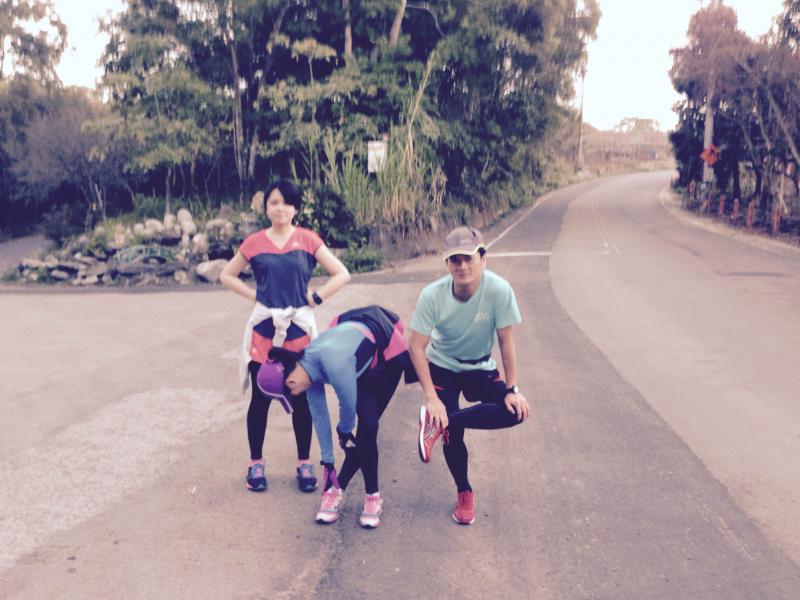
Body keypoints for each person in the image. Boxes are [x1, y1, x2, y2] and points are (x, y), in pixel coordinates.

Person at [220, 179, 350, 494]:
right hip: (264, 331)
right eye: (274, 202)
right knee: (260, 399)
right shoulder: (254, 243)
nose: (280, 208)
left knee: (301, 400)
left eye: (286, 202)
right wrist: (254, 295)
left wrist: (316, 298)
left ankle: (304, 463)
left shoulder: (307, 240)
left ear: (295, 208)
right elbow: (226, 274)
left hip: (298, 333)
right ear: (266, 208)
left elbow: (342, 273)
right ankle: (255, 463)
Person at [409, 226, 530, 525]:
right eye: (455, 259)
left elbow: (506, 341)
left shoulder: (499, 290)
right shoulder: (432, 295)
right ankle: (464, 491)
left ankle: (439, 423)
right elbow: (416, 347)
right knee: (453, 435)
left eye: (469, 258)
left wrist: (512, 389)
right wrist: (431, 397)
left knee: (515, 412)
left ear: (483, 260)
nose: (462, 266)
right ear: (447, 263)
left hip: (479, 366)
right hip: (443, 366)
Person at [259, 305, 413, 528]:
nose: (295, 395)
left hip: (384, 359)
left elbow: (347, 403)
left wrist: (344, 430)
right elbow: (320, 416)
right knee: (360, 437)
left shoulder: (333, 362)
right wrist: (328, 461)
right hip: (356, 365)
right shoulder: (306, 370)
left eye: (290, 393)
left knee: (368, 427)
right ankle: (335, 487)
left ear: (290, 381)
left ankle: (371, 497)